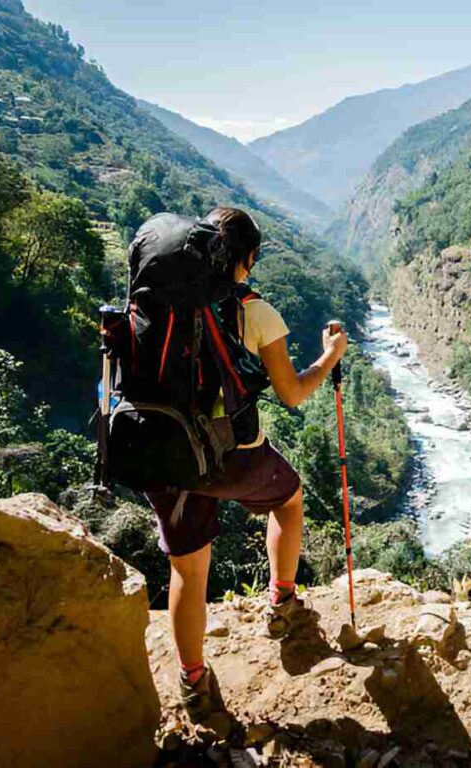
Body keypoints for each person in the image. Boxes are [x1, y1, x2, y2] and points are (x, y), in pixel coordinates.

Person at [144, 207, 348, 724]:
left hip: (161, 450)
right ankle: (282, 602)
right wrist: (330, 356)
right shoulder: (254, 311)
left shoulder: (155, 302)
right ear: (249, 258)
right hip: (228, 454)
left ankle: (193, 683)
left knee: (187, 572)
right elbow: (293, 392)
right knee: (289, 498)